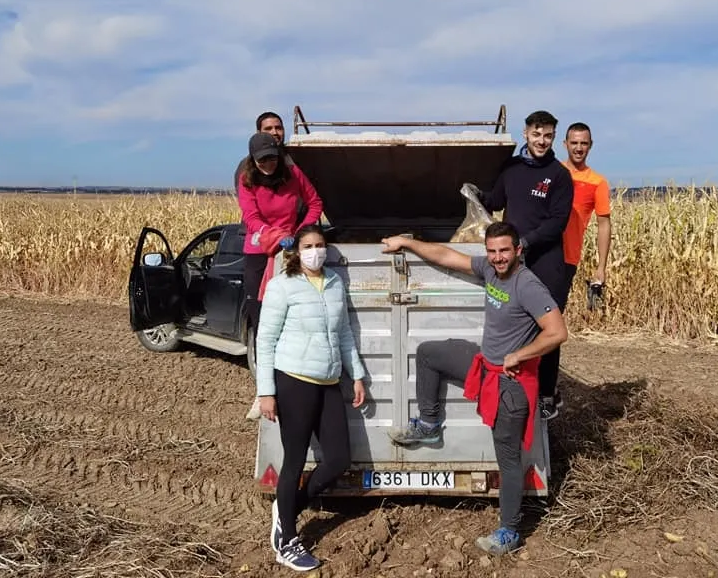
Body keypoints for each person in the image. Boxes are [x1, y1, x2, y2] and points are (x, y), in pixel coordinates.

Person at [381, 222, 567, 555]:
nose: (498, 258)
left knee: (508, 460)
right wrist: (406, 243)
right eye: (492, 251)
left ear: (518, 250)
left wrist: (519, 355)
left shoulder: (528, 286)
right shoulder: (489, 269)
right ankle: (429, 424)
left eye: (504, 251)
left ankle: (509, 531)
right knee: (429, 354)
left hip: (511, 384)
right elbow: (445, 255)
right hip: (486, 366)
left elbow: (557, 332)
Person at [256, 225, 367, 571]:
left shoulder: (334, 282)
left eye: (320, 245)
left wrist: (358, 374)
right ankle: (286, 541)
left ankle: (286, 507)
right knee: (293, 463)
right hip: (294, 382)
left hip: (329, 380)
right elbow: (266, 340)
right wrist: (266, 392)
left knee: (338, 460)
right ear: (297, 251)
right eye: (308, 246)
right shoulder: (282, 285)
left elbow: (344, 333)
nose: (315, 251)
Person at [464, 110, 573, 421]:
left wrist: (526, 241)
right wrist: (477, 195)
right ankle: (511, 380)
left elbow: (557, 222)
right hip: (513, 258)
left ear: (554, 138)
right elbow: (497, 200)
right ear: (525, 134)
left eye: (548, 135)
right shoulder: (511, 167)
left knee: (546, 328)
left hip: (545, 262)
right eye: (536, 134)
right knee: (511, 321)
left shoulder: (559, 175)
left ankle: (547, 394)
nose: (541, 141)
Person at [238, 132, 323, 368]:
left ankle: (295, 363)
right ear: (253, 160)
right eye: (262, 160)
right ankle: (264, 367)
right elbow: (251, 217)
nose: (268, 164)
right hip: (260, 248)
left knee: (295, 306)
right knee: (261, 309)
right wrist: (272, 234)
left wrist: (300, 233)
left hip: (290, 248)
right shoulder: (247, 180)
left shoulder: (293, 174)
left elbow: (315, 203)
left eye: (272, 158)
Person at [560, 122, 612, 304]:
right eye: (574, 143)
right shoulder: (553, 172)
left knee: (556, 309)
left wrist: (601, 268)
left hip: (569, 255)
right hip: (542, 251)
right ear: (565, 144)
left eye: (584, 143)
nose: (579, 148)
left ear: (590, 145)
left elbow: (604, 225)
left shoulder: (597, 182)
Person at [233, 111, 295, 192]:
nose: (274, 132)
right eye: (268, 129)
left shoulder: (295, 158)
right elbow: (245, 198)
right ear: (258, 133)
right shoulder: (248, 165)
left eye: (278, 128)